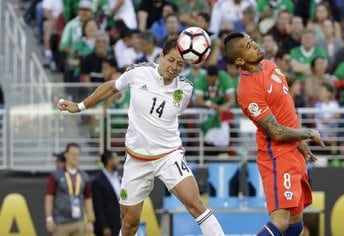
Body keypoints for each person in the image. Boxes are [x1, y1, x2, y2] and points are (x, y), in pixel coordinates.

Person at [57, 37, 225, 236]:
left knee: (196, 204)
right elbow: (111, 86)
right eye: (171, 60)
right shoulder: (139, 73)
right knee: (129, 224)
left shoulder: (186, 88)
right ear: (161, 56)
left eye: (180, 64)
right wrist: (80, 106)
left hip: (168, 155)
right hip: (137, 159)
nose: (174, 67)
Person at [223, 32, 324, 236]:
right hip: (277, 156)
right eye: (248, 46)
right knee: (280, 221)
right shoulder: (247, 91)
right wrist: (307, 133)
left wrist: (299, 142)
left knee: (296, 222)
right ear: (240, 60)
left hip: (294, 151)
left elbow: (286, 108)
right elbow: (276, 132)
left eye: (252, 41)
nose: (255, 46)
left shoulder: (270, 65)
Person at [45, 143, 94, 236]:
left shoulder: (84, 176)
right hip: (61, 223)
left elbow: (88, 199)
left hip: (78, 222)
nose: (74, 157)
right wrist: (49, 218)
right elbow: (49, 197)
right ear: (66, 155)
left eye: (77, 154)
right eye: (72, 154)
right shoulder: (56, 175)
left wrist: (90, 221)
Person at [91, 151, 121, 236]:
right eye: (115, 158)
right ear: (109, 161)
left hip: (118, 224)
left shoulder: (118, 178)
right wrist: (104, 227)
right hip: (107, 227)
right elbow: (98, 207)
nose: (118, 161)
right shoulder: (98, 181)